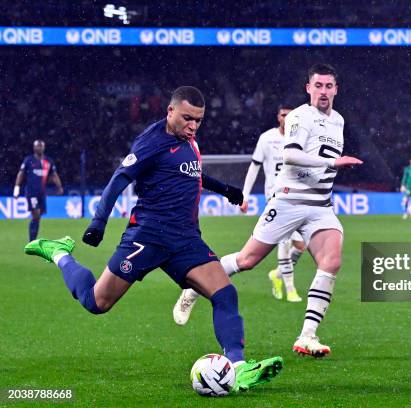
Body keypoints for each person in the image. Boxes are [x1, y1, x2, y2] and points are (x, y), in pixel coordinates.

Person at [24, 86, 283, 392]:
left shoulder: (188, 140)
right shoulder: (151, 141)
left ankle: (238, 368)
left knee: (225, 294)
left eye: (199, 120)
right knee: (97, 302)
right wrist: (98, 222)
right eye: (187, 118)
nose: (193, 125)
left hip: (186, 240)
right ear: (170, 111)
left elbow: (193, 174)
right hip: (147, 237)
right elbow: (119, 178)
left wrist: (225, 189)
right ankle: (59, 254)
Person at [217, 63, 363, 358]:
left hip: (320, 206)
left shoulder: (339, 121)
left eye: (328, 86)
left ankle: (307, 336)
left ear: (337, 89)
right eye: (318, 86)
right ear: (308, 88)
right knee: (247, 260)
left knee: (331, 261)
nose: (323, 91)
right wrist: (331, 164)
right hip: (289, 201)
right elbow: (291, 154)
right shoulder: (299, 116)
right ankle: (197, 284)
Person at [173, 106, 306, 326]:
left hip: (305, 200)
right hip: (279, 199)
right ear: (278, 116)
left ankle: (280, 279)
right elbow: (254, 167)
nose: (287, 118)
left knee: (303, 247)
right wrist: (242, 194)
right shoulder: (268, 138)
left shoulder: (305, 135)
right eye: (283, 114)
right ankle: (290, 290)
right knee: (251, 258)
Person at [13, 140, 64, 241]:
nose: (39, 148)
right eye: (37, 146)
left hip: (42, 193)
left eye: (41, 146)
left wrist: (59, 186)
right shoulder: (28, 160)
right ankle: (31, 241)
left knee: (38, 217)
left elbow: (54, 175)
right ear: (34, 147)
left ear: (43, 148)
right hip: (31, 192)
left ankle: (33, 240)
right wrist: (16, 188)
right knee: (36, 214)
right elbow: (21, 173)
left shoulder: (48, 161)